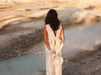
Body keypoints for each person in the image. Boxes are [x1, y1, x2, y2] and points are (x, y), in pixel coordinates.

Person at [44, 9, 65, 75]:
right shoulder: (60, 26)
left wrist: (50, 50)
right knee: (58, 64)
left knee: (50, 65)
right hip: (58, 47)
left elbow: (45, 40)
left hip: (50, 47)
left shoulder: (46, 27)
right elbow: (63, 39)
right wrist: (59, 50)